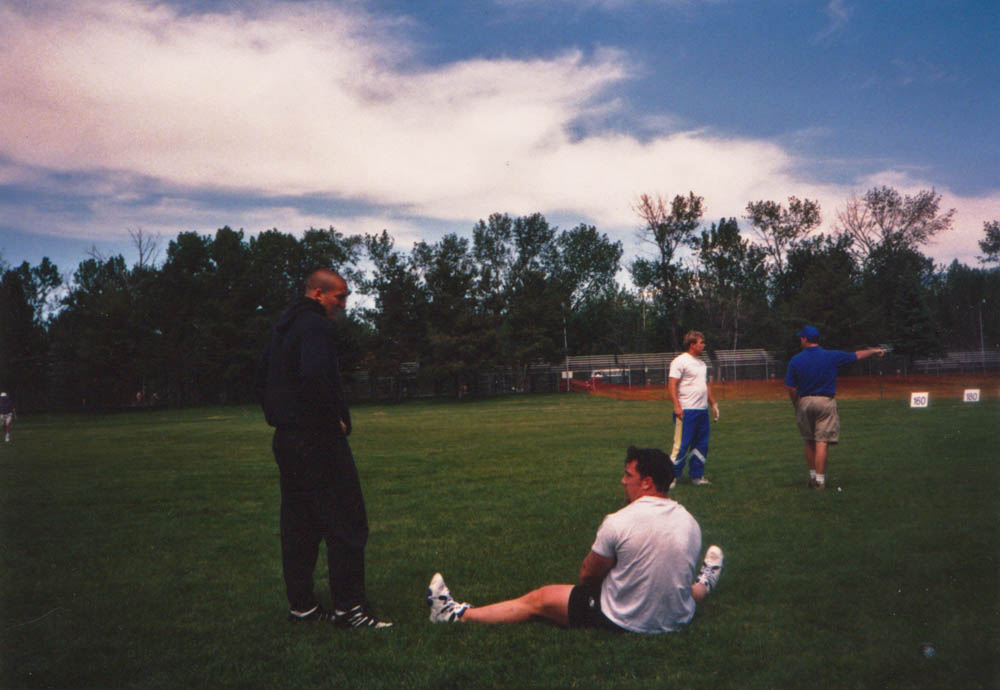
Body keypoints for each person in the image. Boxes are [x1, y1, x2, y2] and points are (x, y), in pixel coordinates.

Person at [426, 446, 724, 633]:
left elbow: (587, 577)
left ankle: (457, 615)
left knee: (539, 599)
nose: (623, 481)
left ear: (646, 482)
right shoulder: (690, 522)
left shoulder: (618, 521)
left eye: (628, 475)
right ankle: (707, 580)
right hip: (678, 618)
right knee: (687, 588)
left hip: (622, 621)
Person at [256, 268, 391, 628]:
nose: (344, 304)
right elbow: (317, 376)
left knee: (299, 525)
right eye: (340, 296)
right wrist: (334, 419)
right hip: (318, 440)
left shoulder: (281, 328)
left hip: (287, 440)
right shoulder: (316, 326)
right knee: (346, 521)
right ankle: (350, 609)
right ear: (318, 294)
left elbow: (263, 374)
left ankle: (303, 607)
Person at [784, 325, 885, 490]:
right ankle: (820, 481)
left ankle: (811, 477)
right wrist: (874, 351)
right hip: (825, 401)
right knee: (822, 441)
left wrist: (796, 403)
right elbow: (857, 355)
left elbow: (791, 387)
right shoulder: (831, 356)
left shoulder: (796, 360)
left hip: (804, 401)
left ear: (805, 339)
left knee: (809, 441)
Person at [668, 331, 719, 486]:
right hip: (686, 411)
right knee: (682, 445)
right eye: (701, 343)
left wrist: (713, 404)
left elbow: (705, 386)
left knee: (701, 444)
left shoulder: (702, 364)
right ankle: (671, 477)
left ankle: (696, 476)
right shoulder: (679, 362)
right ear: (692, 345)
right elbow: (672, 385)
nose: (703, 345)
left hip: (702, 411)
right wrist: (677, 407)